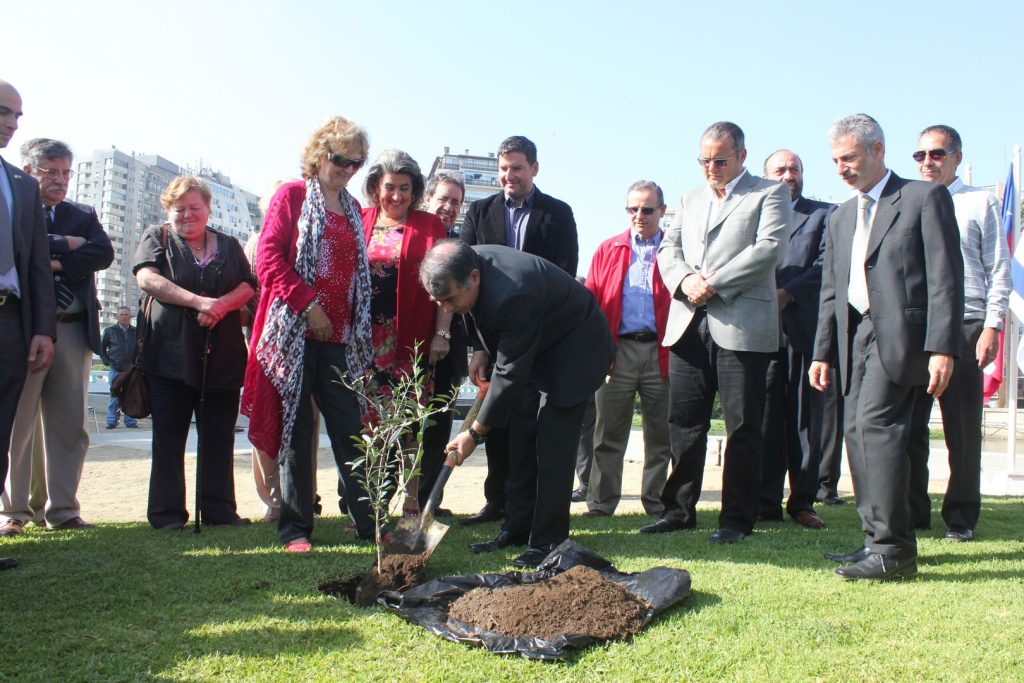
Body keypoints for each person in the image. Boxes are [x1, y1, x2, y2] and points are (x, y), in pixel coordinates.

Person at [810, 114, 963, 581]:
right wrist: (822, 351)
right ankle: (876, 539)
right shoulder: (839, 216)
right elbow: (831, 291)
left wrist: (943, 346)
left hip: (901, 337)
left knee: (878, 426)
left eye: (850, 158)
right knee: (856, 432)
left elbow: (944, 275)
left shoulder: (922, 197)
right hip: (853, 335)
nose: (842, 169)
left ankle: (894, 551)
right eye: (836, 161)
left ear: (878, 151)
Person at [420, 241, 614, 568]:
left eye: (450, 299)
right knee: (519, 434)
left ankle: (549, 540)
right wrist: (481, 350)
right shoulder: (465, 265)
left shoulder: (513, 292)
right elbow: (485, 326)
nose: (446, 308)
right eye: (438, 301)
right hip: (535, 345)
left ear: (475, 277)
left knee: (552, 441)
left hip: (577, 348)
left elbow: (509, 374)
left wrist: (474, 433)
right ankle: (516, 527)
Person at [649, 122, 790, 543]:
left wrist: (717, 282)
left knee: (743, 425)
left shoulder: (769, 192)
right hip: (688, 321)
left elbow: (769, 248)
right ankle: (677, 512)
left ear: (742, 157)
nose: (711, 168)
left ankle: (736, 520)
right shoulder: (689, 198)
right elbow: (667, 249)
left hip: (741, 324)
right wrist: (685, 281)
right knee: (684, 422)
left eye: (720, 160)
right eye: (705, 161)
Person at [242, 116, 376, 552]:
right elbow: (268, 261)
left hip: (340, 339)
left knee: (350, 429)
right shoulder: (292, 196)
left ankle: (369, 523)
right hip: (295, 336)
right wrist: (308, 304)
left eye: (356, 163)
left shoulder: (355, 210)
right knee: (298, 431)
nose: (348, 169)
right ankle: (296, 528)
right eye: (341, 159)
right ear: (319, 155)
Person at [458, 135, 578, 527]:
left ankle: (525, 506)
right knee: (498, 420)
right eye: (504, 168)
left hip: (542, 338)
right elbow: (462, 281)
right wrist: (477, 345)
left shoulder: (558, 214)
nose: (509, 175)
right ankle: (497, 503)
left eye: (517, 168)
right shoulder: (479, 212)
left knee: (529, 424)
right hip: (494, 338)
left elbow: (563, 274)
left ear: (534, 169)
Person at [0, 139, 112, 535]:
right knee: (17, 424)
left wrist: (48, 259)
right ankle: (15, 512)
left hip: (73, 331)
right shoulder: (13, 207)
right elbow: (15, 252)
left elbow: (102, 253)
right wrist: (66, 247)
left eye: (66, 172)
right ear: (29, 171)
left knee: (70, 427)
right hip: (26, 330)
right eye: (51, 171)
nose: (60, 179)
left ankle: (63, 510)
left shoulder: (82, 214)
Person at [907, 124, 1011, 542]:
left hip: (966, 325)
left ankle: (961, 517)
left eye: (936, 154)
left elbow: (997, 267)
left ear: (956, 158)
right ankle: (914, 512)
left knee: (962, 429)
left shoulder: (979, 202)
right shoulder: (909, 202)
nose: (928, 162)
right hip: (917, 327)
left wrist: (992, 325)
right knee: (910, 426)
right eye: (920, 156)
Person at [133, 176, 255, 530]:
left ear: (208, 208)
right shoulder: (158, 237)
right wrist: (199, 301)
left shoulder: (230, 245)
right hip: (169, 355)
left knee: (218, 437)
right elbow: (146, 278)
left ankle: (219, 511)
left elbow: (248, 285)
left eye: (194, 208)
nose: (187, 215)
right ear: (168, 211)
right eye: (179, 209)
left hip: (223, 357)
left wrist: (220, 307)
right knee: (169, 437)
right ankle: (167, 515)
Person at [360, 149, 451, 517]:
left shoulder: (430, 226)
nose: (396, 196)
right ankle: (373, 505)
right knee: (371, 426)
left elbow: (445, 285)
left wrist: (442, 334)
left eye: (405, 188)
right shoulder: (360, 219)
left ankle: (412, 501)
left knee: (411, 425)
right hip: (365, 343)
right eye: (389, 187)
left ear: (415, 190)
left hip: (412, 340)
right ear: (375, 188)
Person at [582, 180, 672, 518]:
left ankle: (657, 503)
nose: (639, 215)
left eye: (647, 209)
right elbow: (590, 303)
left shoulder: (674, 251)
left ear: (662, 211)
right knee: (608, 433)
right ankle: (601, 503)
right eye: (632, 209)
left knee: (660, 434)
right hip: (617, 353)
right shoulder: (608, 249)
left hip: (660, 352)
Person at [757, 150, 836, 529]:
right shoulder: (754, 213)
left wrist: (788, 292)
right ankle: (765, 501)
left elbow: (828, 265)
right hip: (758, 332)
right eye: (780, 169)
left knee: (805, 420)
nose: (788, 174)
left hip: (804, 332)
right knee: (765, 418)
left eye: (795, 169)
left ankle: (803, 501)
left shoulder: (824, 215)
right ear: (765, 176)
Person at [0, 79, 55, 569]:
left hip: (11, 322)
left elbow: (38, 263)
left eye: (18, 115)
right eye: (4, 112)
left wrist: (42, 328)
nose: (13, 124)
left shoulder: (21, 186)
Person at [420, 171, 469, 513]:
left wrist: (444, 334)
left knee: (438, 424)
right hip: (404, 342)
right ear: (427, 199)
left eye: (455, 201)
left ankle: (427, 501)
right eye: (443, 199)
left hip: (447, 348)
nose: (449, 207)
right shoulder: (412, 236)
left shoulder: (461, 247)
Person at [100, 306, 138, 429]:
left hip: (131, 369)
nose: (124, 316)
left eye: (126, 314)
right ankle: (111, 420)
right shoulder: (110, 330)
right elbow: (102, 349)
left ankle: (130, 420)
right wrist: (107, 362)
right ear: (117, 316)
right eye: (121, 314)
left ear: (130, 317)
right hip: (115, 368)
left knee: (130, 395)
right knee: (114, 395)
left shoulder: (136, 331)